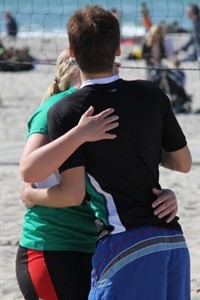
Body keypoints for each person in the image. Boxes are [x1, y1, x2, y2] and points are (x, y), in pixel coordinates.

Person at [21, 4, 192, 300]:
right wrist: (144, 145)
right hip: (174, 243)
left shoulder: (68, 111)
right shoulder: (152, 94)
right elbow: (183, 163)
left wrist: (79, 134)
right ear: (118, 50)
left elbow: (52, 184)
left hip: (125, 245)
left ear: (71, 52)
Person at [16, 49, 120, 300]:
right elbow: (27, 169)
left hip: (93, 246)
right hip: (51, 248)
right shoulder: (54, 109)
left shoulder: (105, 108)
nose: (117, 67)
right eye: (113, 61)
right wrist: (31, 195)